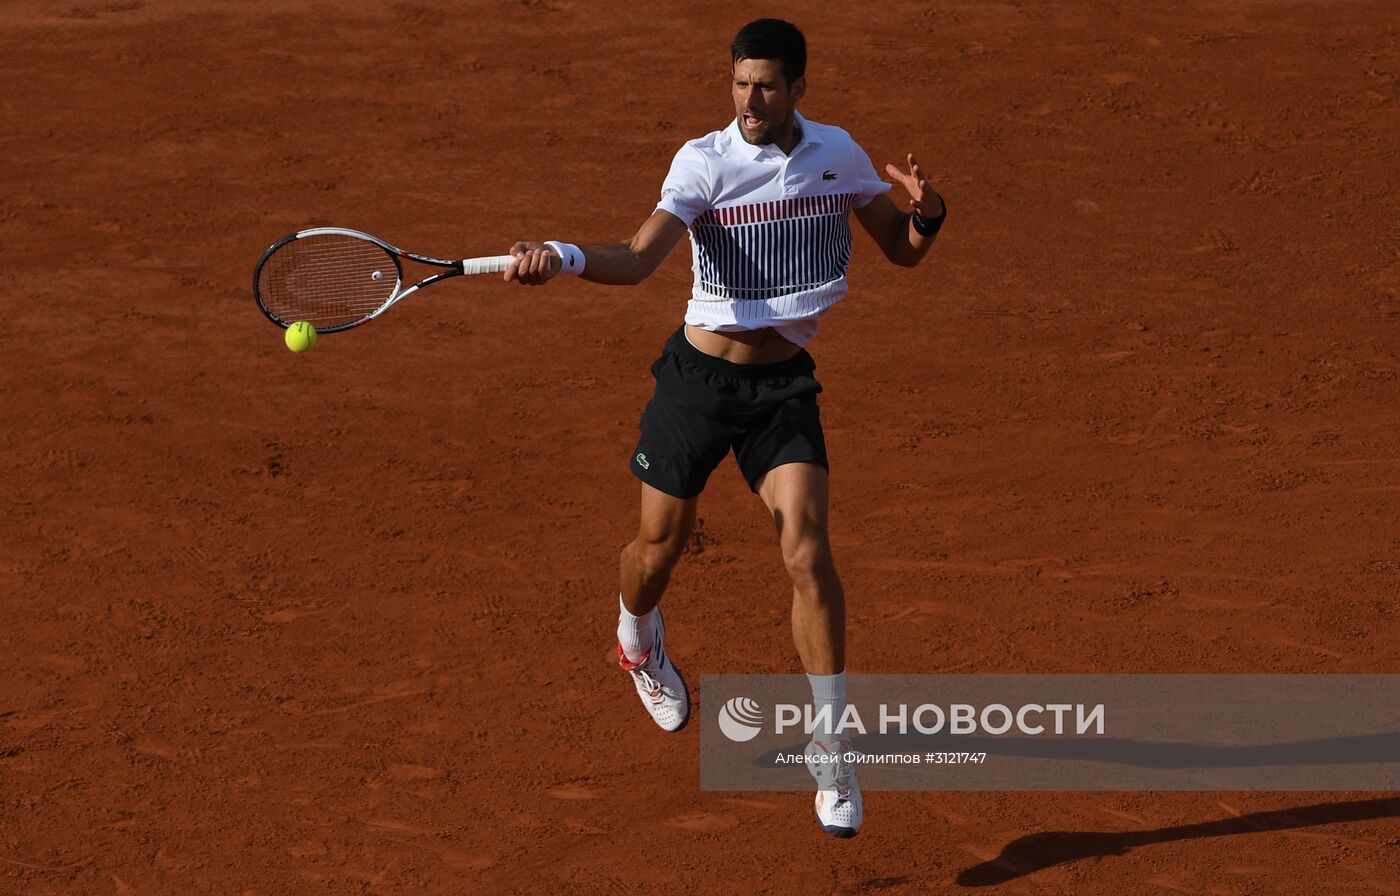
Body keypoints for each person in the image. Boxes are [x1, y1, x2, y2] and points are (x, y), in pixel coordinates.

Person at [504, 18, 944, 838]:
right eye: (740, 83)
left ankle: (831, 748)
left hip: (781, 389)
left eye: (767, 85)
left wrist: (928, 216)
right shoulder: (704, 162)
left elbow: (901, 249)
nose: (750, 99)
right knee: (657, 551)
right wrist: (560, 255)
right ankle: (637, 637)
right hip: (697, 385)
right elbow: (638, 258)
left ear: (797, 91)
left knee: (808, 550)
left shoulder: (838, 155)